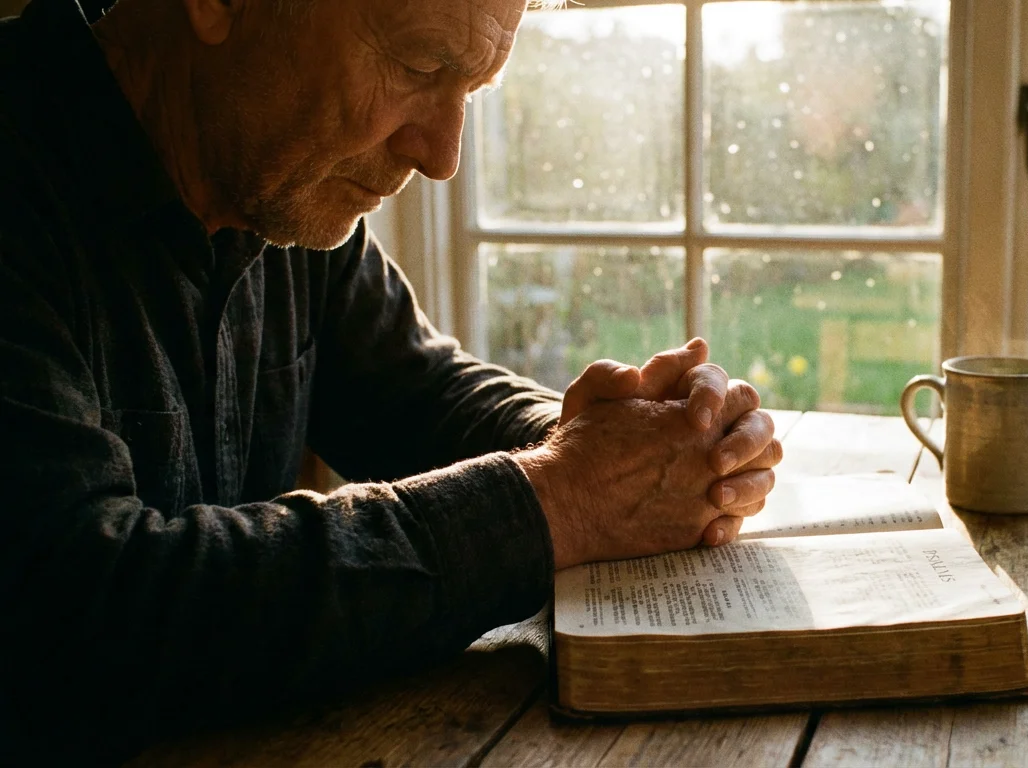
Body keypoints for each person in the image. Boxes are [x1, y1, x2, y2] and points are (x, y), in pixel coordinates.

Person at [0, 0, 782, 760]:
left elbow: (415, 387)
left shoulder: (268, 177)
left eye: (472, 91)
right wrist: (565, 496)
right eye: (419, 64)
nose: (442, 156)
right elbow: (81, 613)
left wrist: (616, 444)